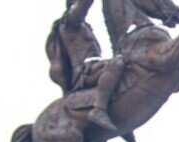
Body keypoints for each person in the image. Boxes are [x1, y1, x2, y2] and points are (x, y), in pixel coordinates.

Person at [46, 0, 125, 133]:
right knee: (117, 63)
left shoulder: (84, 26)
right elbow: (83, 4)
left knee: (126, 64)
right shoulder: (70, 22)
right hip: (84, 72)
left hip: (95, 66)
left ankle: (120, 114)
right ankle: (99, 109)